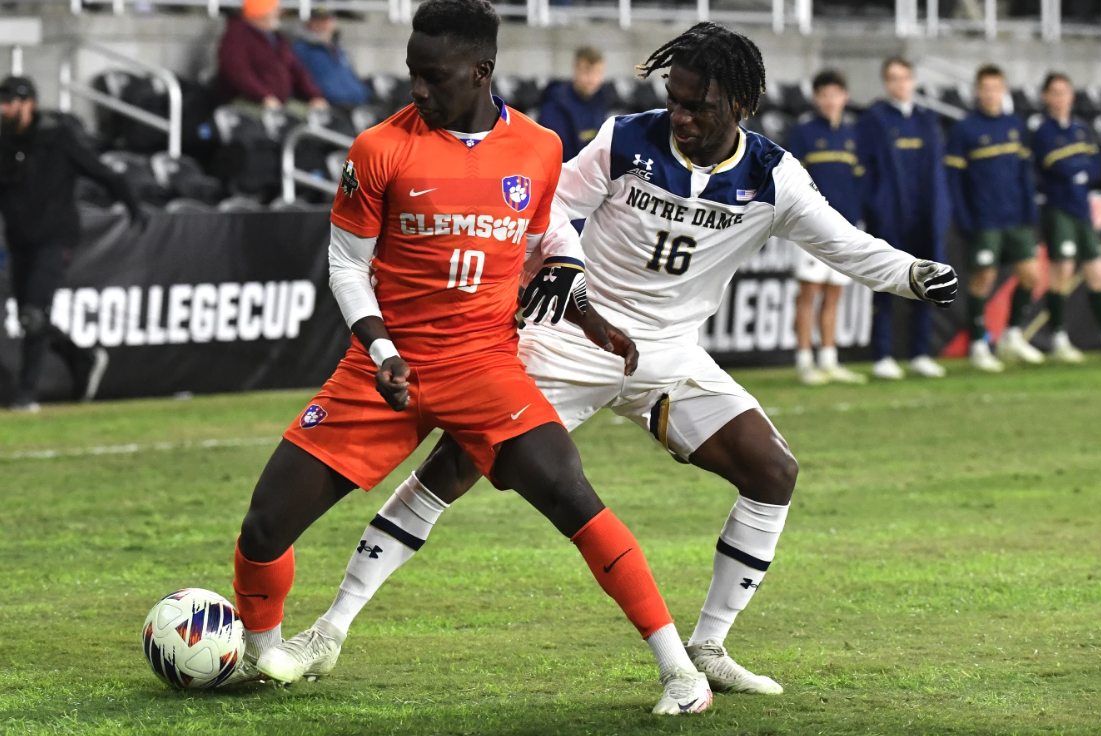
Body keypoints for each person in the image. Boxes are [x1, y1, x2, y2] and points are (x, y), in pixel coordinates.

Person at [269, 22, 958, 699]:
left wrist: (911, 275)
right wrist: (561, 271)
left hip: (668, 357)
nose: (680, 115)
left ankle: (709, 647)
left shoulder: (772, 177)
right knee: (450, 468)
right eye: (674, 97)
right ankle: (328, 630)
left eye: (698, 105)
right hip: (569, 342)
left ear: (739, 105)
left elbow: (842, 243)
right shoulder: (626, 141)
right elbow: (548, 205)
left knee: (772, 471)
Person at [223, 0, 716, 716]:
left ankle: (679, 672)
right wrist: (381, 346)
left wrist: (584, 305)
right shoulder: (378, 148)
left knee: (572, 495)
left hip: (485, 367)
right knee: (265, 525)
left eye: (434, 76)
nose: (417, 90)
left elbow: (549, 232)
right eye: (411, 74)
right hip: (382, 370)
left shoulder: (539, 147)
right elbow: (345, 265)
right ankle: (262, 654)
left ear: (482, 71)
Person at [0, 76, 141, 412]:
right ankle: (82, 357)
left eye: (9, 102)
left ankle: (26, 394)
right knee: (26, 316)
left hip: (54, 236)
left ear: (28, 104)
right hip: (19, 239)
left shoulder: (56, 137)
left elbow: (100, 171)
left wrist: (131, 202)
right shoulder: (3, 143)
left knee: (35, 315)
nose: (3, 108)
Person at [858, 57, 952, 380]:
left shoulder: (928, 119)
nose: (900, 84)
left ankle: (920, 353)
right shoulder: (875, 119)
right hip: (891, 217)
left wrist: (939, 212)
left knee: (927, 281)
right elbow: (866, 170)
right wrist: (877, 208)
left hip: (924, 216)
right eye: (894, 79)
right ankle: (883, 355)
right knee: (886, 282)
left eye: (905, 78)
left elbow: (938, 171)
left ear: (913, 80)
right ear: (886, 83)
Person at [945, 64, 1043, 372]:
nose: (990, 94)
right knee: (983, 279)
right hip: (984, 219)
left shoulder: (1016, 126)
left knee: (1031, 275)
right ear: (977, 92)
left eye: (996, 88)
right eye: (985, 89)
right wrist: (964, 218)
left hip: (1016, 217)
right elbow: (954, 181)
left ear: (1003, 91)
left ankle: (1012, 335)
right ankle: (978, 344)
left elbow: (1025, 174)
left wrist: (1030, 210)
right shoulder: (964, 130)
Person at [785, 69, 867, 385]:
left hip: (844, 229)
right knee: (809, 293)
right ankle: (804, 360)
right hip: (810, 228)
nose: (830, 101)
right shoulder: (803, 134)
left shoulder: (852, 135)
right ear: (816, 99)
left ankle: (829, 358)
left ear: (844, 97)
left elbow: (857, 182)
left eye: (835, 94)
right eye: (824, 95)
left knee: (834, 294)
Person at [1033, 71, 1101, 363]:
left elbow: (1096, 166)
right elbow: (1055, 167)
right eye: (1055, 92)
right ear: (1046, 97)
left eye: (1065, 92)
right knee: (1062, 273)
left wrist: (1077, 169)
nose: (1060, 98)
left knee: (1099, 273)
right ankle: (1058, 337)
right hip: (1058, 210)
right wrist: (1077, 169)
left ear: (1072, 96)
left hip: (1082, 211)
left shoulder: (1082, 129)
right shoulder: (1042, 131)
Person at [213, 0, 329, 112]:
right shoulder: (237, 36)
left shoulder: (275, 36)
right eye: (273, 8)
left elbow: (296, 69)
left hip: (279, 102)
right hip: (248, 103)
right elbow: (239, 73)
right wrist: (264, 96)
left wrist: (314, 96)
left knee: (313, 120)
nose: (278, 12)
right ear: (260, 12)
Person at [537, 47, 611, 162]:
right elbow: (555, 154)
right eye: (587, 72)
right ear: (576, 70)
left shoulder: (600, 99)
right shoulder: (556, 103)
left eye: (598, 73)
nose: (592, 79)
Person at [291, 8, 372, 108]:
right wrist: (314, 97)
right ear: (309, 23)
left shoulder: (338, 50)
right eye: (318, 20)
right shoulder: (301, 49)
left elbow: (351, 78)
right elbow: (299, 79)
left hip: (358, 104)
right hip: (332, 107)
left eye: (327, 20)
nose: (323, 25)